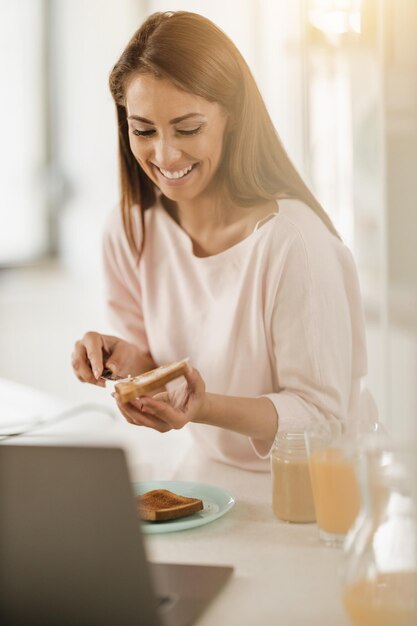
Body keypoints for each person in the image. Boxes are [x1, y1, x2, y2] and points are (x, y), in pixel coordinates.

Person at [71, 10, 375, 471]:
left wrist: (205, 405)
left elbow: (324, 419)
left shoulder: (292, 242)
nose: (165, 155)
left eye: (188, 129)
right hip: (215, 483)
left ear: (231, 116)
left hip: (322, 493)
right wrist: (128, 363)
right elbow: (160, 375)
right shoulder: (129, 231)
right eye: (143, 130)